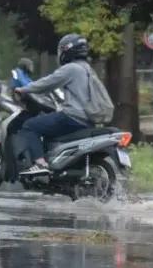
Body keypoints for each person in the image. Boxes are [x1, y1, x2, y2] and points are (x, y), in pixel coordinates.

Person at [14, 34, 108, 175]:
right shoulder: (88, 69)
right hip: (88, 119)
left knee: (30, 126)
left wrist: (24, 89)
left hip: (72, 117)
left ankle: (40, 163)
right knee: (49, 130)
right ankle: (57, 165)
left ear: (66, 50)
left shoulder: (71, 68)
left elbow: (48, 83)